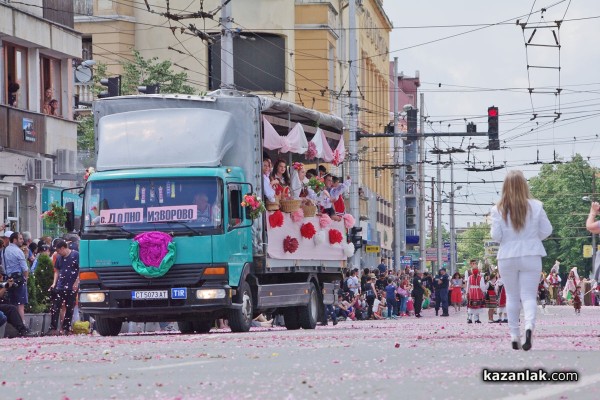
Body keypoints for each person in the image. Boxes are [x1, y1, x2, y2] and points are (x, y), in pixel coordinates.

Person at [490, 170, 552, 351]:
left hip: (507, 256)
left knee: (512, 296)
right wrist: (533, 238)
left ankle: (514, 336)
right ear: (525, 184)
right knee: (528, 296)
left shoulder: (497, 209)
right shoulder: (537, 206)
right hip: (531, 254)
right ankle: (529, 328)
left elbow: (496, 236)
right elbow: (547, 230)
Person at [46, 240, 79, 336]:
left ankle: (66, 327)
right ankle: (53, 328)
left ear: (63, 248)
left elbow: (80, 269)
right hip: (60, 286)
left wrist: (77, 282)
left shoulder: (76, 255)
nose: (58, 253)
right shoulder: (59, 257)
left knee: (70, 308)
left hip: (71, 286)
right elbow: (57, 271)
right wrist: (54, 283)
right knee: (55, 307)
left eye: (58, 251)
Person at [2, 232, 29, 321]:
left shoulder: (4, 250)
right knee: (20, 304)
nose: (22, 240)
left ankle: (13, 326)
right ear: (14, 240)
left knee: (12, 304)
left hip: (7, 278)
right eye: (20, 239)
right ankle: (22, 326)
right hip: (18, 278)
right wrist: (25, 279)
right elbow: (25, 268)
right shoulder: (18, 251)